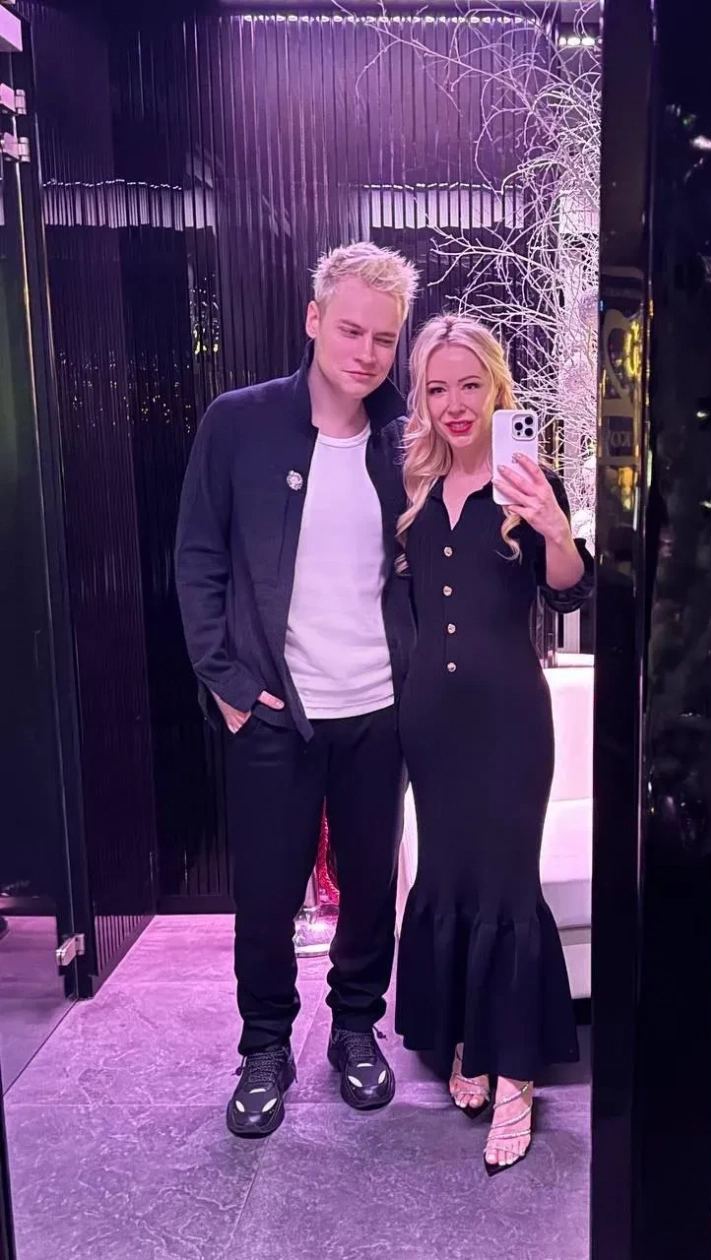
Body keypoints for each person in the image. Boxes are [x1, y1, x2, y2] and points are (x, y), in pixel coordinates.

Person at [175, 242, 419, 1138]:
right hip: (275, 711)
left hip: (379, 708)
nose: (366, 353)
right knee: (267, 894)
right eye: (351, 330)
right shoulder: (238, 424)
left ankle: (355, 1028)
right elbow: (197, 557)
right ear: (314, 320)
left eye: (384, 339)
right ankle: (264, 1046)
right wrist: (229, 685)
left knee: (369, 886)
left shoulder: (407, 440)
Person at [394, 315, 594, 1175]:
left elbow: (569, 595)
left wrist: (554, 529)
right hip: (430, 722)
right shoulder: (412, 486)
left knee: (508, 888)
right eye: (437, 388)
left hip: (511, 721)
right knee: (448, 877)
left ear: (495, 387)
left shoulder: (527, 481)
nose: (454, 404)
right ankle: (467, 1040)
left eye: (469, 385)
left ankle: (516, 1077)